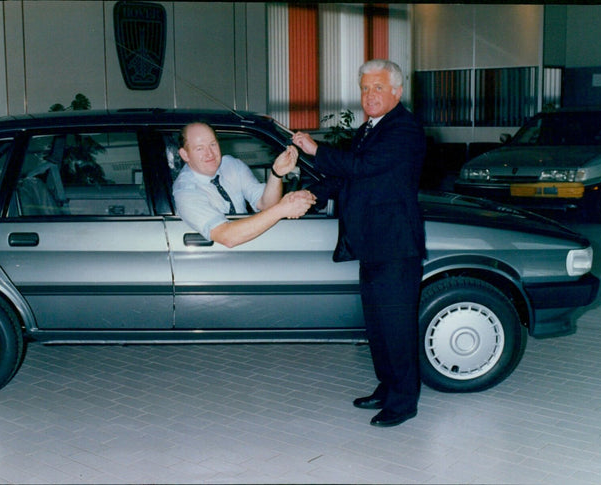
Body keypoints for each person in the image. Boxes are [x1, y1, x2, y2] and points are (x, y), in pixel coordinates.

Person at [292, 59, 426, 427]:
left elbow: (362, 167)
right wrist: (309, 196)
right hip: (372, 243)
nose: (370, 95)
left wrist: (316, 149)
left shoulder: (404, 129)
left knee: (396, 328)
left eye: (378, 88)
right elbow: (346, 176)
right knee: (378, 324)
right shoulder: (370, 128)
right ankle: (388, 386)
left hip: (396, 247)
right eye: (365, 88)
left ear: (397, 92)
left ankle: (403, 402)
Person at [173, 122, 316, 247]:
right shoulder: (186, 191)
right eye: (200, 148)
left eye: (212, 144)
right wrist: (283, 209)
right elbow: (227, 237)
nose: (210, 153)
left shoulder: (231, 165)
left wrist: (276, 173)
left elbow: (265, 205)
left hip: (247, 251)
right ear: (185, 155)